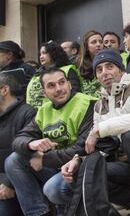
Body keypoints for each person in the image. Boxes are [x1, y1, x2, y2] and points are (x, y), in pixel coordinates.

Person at [45, 49, 130, 215]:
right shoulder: (99, 104)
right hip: (128, 163)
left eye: (109, 66)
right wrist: (78, 159)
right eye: (99, 69)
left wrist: (99, 129)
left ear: (120, 69)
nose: (104, 72)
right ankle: (129, 204)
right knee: (85, 170)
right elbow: (102, 144)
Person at [5, 67, 95, 216]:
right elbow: (18, 140)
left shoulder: (87, 104)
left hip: (80, 166)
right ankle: (39, 213)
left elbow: (83, 148)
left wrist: (44, 158)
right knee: (14, 160)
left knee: (53, 189)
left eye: (62, 82)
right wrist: (31, 144)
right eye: (51, 86)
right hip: (56, 165)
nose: (59, 89)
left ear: (70, 84)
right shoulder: (44, 110)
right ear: (44, 93)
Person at [0, 74, 36, 216]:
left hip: (19, 182)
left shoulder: (28, 113)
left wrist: (8, 183)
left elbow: (28, 152)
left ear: (4, 90)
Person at [26, 41, 81, 110]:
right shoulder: (37, 74)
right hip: (35, 114)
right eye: (40, 54)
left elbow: (75, 92)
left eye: (44, 53)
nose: (41, 57)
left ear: (53, 53)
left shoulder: (67, 69)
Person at [76, 30, 103, 97]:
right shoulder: (79, 66)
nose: (98, 44)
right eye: (94, 42)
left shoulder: (110, 62)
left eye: (101, 42)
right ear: (87, 47)